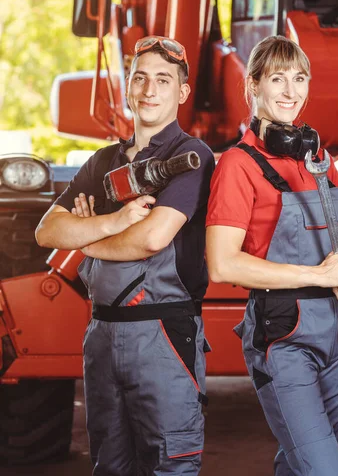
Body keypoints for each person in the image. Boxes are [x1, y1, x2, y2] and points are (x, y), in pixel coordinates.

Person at [36, 36, 215, 476]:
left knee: (168, 466)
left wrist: (84, 237)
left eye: (162, 79)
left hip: (164, 333)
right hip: (101, 334)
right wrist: (114, 224)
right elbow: (47, 231)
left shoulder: (190, 157)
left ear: (182, 92)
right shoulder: (103, 162)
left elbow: (152, 238)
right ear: (128, 88)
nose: (149, 90)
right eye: (140, 78)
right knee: (110, 466)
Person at [206, 35, 338, 476]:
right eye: (278, 79)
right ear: (253, 86)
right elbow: (223, 264)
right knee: (324, 469)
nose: (290, 91)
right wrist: (320, 274)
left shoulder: (319, 158)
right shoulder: (238, 166)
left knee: (302, 464)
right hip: (284, 335)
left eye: (299, 79)